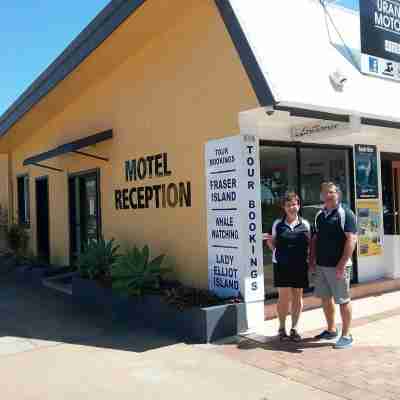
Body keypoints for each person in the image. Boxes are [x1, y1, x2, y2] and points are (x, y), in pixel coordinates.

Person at [309, 182, 358, 349]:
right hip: (322, 266)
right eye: (325, 193)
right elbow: (315, 240)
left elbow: (352, 239)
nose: (328, 195)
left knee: (343, 300)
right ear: (322, 196)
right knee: (325, 298)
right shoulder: (319, 215)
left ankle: (346, 335)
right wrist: (312, 261)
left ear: (338, 194)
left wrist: (342, 264)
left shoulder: (346, 214)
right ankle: (331, 330)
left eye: (331, 192)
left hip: (339, 267)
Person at [264, 192, 311, 342]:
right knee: (283, 298)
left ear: (299, 205)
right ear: (284, 207)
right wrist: (274, 249)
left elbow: (310, 244)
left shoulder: (306, 224)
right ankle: (282, 328)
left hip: (299, 266)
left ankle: (295, 328)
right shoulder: (278, 224)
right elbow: (273, 242)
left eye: (295, 204)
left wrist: (310, 261)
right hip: (282, 266)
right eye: (289, 205)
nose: (292, 207)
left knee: (297, 296)